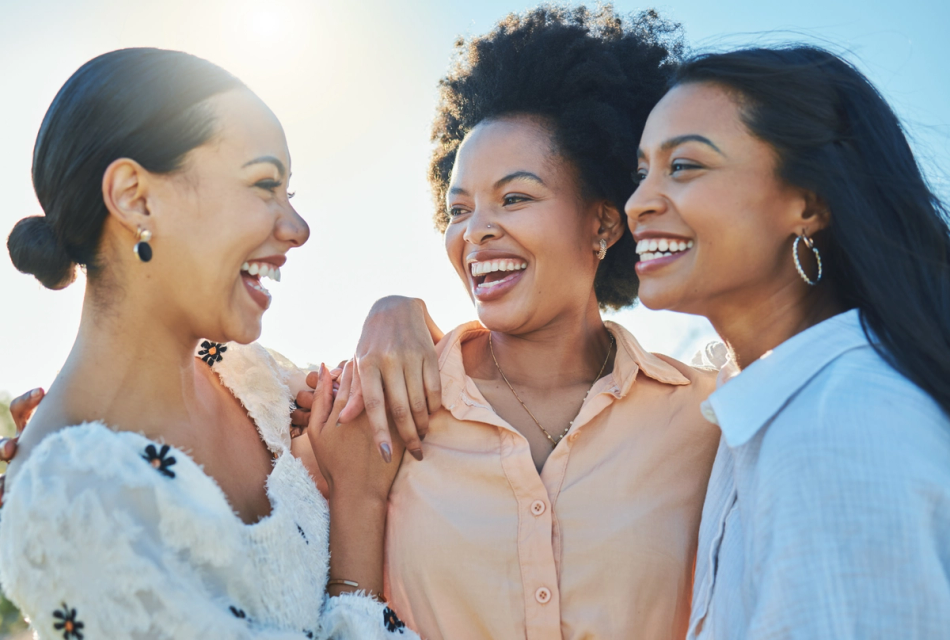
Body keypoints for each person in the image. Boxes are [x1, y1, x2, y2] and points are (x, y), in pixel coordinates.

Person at [310, 8, 720, 639]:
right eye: (459, 209)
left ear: (604, 224)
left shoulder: (706, 419)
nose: (476, 232)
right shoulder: (381, 407)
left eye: (516, 197)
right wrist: (389, 306)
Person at [0, 48, 418, 640]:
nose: (298, 229)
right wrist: (357, 508)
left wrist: (397, 313)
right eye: (264, 184)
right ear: (136, 199)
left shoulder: (256, 380)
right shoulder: (69, 500)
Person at [626, 46, 950, 638]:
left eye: (685, 166)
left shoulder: (839, 428)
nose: (638, 202)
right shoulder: (760, 403)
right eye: (641, 171)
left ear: (808, 202)